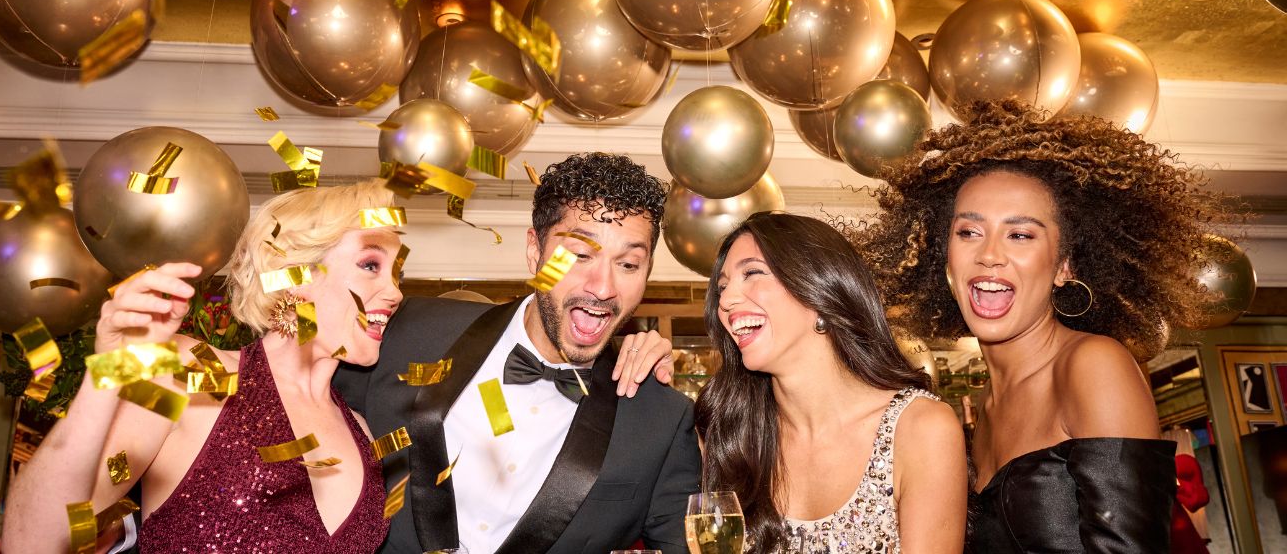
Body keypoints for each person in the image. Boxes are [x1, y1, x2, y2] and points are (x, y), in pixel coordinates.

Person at [856, 100, 1227, 552]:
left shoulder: (1093, 365)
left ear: (1064, 265)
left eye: (1020, 235)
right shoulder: (983, 408)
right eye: (968, 232)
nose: (989, 254)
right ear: (943, 260)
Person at [2, 182, 403, 552]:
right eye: (371, 265)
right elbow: (35, 539)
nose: (395, 291)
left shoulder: (363, 433)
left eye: (395, 271)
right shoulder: (192, 375)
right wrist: (108, 373)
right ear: (293, 276)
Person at [334, 152, 700, 554]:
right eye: (580, 255)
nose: (603, 287)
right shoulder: (410, 330)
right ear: (534, 252)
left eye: (629, 264)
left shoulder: (661, 419)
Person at [696, 212, 968, 553]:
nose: (726, 300)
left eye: (752, 273)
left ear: (820, 291)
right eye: (722, 287)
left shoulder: (920, 429)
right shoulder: (730, 433)